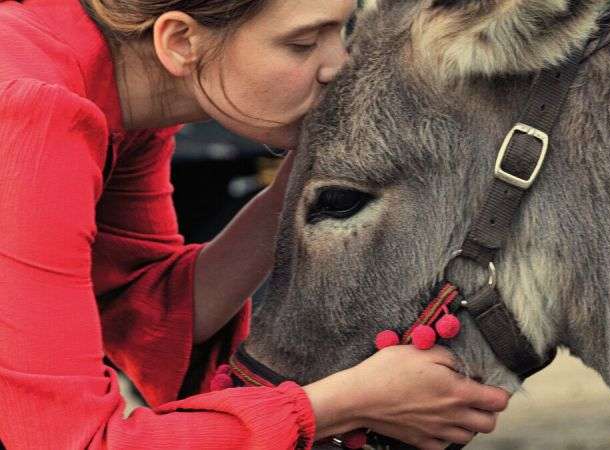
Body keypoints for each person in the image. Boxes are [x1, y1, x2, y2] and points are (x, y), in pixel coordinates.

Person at [0, 0, 510, 449]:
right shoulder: (30, 115)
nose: (338, 66)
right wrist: (344, 403)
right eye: (302, 43)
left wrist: (306, 180)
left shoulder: (112, 92)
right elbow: (71, 441)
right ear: (180, 41)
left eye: (341, 30)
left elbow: (143, 309)